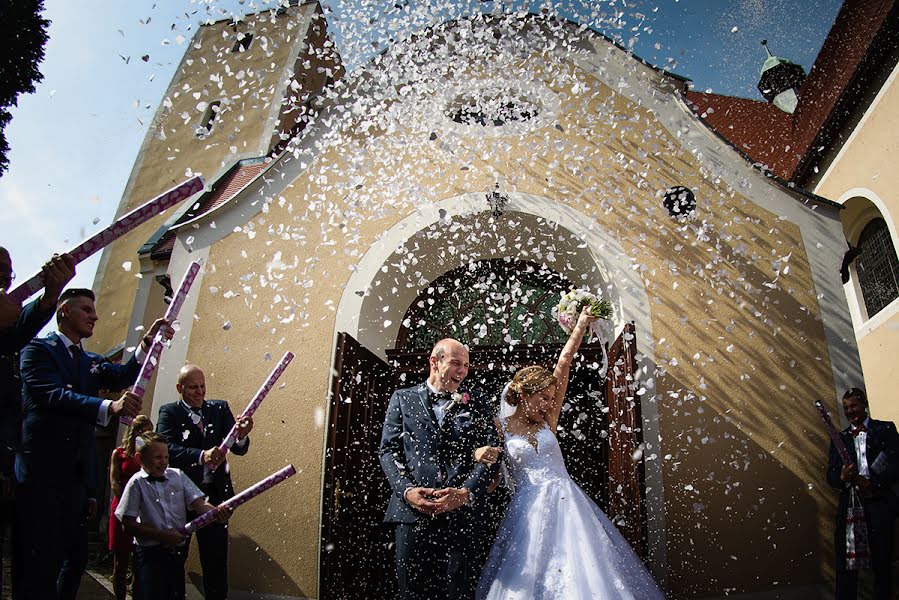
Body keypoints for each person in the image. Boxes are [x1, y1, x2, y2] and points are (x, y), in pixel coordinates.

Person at [476, 307, 665, 599]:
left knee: (583, 571)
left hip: (568, 504)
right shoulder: (499, 426)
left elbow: (564, 363)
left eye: (552, 399)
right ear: (525, 395)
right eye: (543, 398)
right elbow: (490, 466)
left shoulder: (548, 421)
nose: (549, 405)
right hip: (527, 512)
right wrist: (480, 458)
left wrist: (580, 326)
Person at [15, 287, 172, 600]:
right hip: (41, 473)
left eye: (94, 310)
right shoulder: (36, 350)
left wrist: (146, 344)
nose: (95, 316)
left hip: (74, 479)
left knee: (74, 560)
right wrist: (109, 407)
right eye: (86, 310)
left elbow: (123, 374)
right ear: (64, 312)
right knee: (39, 560)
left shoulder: (90, 360)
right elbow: (54, 395)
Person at [379, 338, 500, 600]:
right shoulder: (403, 398)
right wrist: (407, 490)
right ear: (435, 362)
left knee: (460, 592)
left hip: (462, 517)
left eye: (466, 365)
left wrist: (465, 492)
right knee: (412, 592)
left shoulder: (476, 402)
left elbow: (492, 455)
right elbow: (388, 451)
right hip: (412, 514)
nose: (462, 371)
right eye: (456, 363)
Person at [0, 247, 75, 597]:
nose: (4, 279)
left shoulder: (9, 338)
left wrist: (50, 295)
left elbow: (13, 332)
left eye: (8, 275)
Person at [156, 364, 253, 600]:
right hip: (180, 497)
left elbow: (238, 448)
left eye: (202, 386)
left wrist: (242, 434)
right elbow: (166, 448)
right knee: (175, 556)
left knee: (216, 558)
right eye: (192, 388)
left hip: (215, 496)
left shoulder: (219, 409)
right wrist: (201, 456)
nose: (199, 392)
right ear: (180, 388)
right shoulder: (169, 412)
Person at [116, 431, 230, 600]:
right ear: (140, 459)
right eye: (157, 457)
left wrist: (215, 513)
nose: (163, 462)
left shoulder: (177, 475)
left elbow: (199, 504)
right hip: (149, 555)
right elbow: (128, 524)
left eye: (166, 457)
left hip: (175, 553)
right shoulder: (136, 483)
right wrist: (163, 536)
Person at [826, 387, 899, 600]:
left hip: (879, 505)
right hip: (850, 507)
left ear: (864, 404)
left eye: (853, 406)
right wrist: (841, 476)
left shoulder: (885, 429)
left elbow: (896, 464)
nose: (850, 411)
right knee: (847, 564)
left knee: (882, 561)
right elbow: (830, 476)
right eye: (846, 408)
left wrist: (872, 484)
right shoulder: (840, 439)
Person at [109, 414, 153, 600]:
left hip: (144, 510)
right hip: (122, 508)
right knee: (121, 561)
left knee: (139, 563)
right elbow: (114, 482)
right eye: (140, 430)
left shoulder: (150, 456)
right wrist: (129, 505)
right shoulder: (119, 453)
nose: (144, 434)